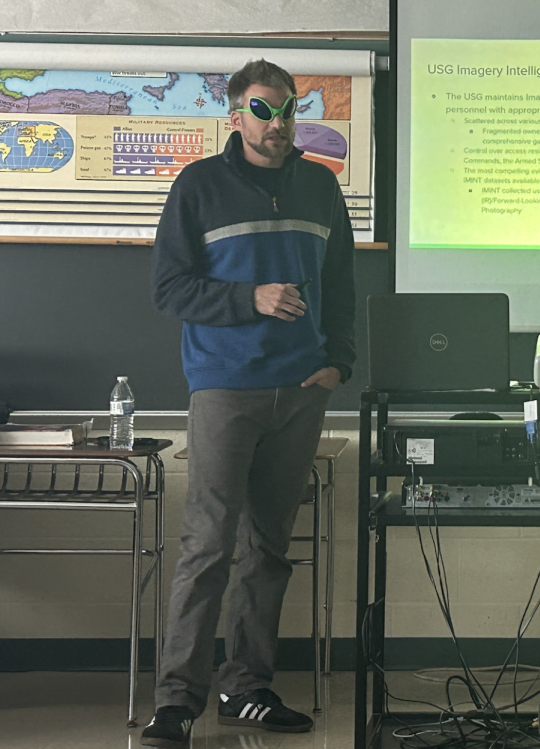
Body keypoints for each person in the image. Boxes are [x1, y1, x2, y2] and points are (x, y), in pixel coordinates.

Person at [141, 59, 356, 747]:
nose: (279, 123)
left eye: (289, 109)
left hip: (299, 393)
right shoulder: (199, 186)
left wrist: (337, 363)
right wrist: (250, 298)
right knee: (207, 544)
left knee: (269, 549)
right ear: (235, 117)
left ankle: (248, 686)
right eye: (264, 111)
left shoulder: (321, 188)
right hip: (224, 388)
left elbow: (344, 285)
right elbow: (170, 289)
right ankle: (175, 700)